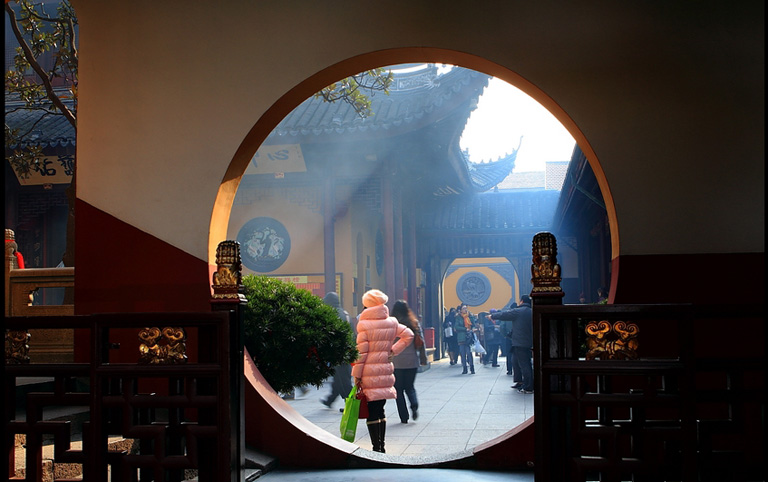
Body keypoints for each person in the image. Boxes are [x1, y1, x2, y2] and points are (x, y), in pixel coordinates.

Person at [352, 289, 414, 453]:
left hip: (368, 373)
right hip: (385, 372)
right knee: (381, 409)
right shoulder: (392, 322)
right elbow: (409, 335)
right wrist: (393, 351)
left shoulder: (364, 325)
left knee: (372, 411)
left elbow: (361, 354)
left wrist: (356, 376)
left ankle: (376, 447)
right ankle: (382, 446)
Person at [491, 295, 534, 394]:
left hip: (520, 342)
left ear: (522, 301)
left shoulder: (519, 311)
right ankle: (520, 381)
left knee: (524, 364)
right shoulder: (530, 311)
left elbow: (504, 315)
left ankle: (528, 386)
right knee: (515, 361)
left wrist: (492, 316)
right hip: (523, 341)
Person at [391, 299, 424, 424]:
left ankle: (403, 416)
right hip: (412, 361)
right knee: (410, 387)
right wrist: (423, 357)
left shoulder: (392, 324)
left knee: (398, 389)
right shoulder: (414, 323)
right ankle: (414, 405)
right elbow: (421, 343)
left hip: (396, 361)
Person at [320, 292, 354, 409]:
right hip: (346, 351)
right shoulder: (345, 313)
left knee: (343, 380)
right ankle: (330, 400)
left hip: (338, 353)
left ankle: (350, 405)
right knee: (339, 377)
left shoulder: (332, 314)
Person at [454, 304, 477, 374]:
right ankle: (464, 368)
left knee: (469, 353)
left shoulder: (470, 316)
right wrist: (465, 329)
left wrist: (472, 328)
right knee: (463, 353)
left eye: (466, 308)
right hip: (461, 337)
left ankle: (472, 368)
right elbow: (456, 327)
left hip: (469, 337)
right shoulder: (458, 317)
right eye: (463, 308)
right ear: (460, 310)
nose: (465, 310)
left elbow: (473, 324)